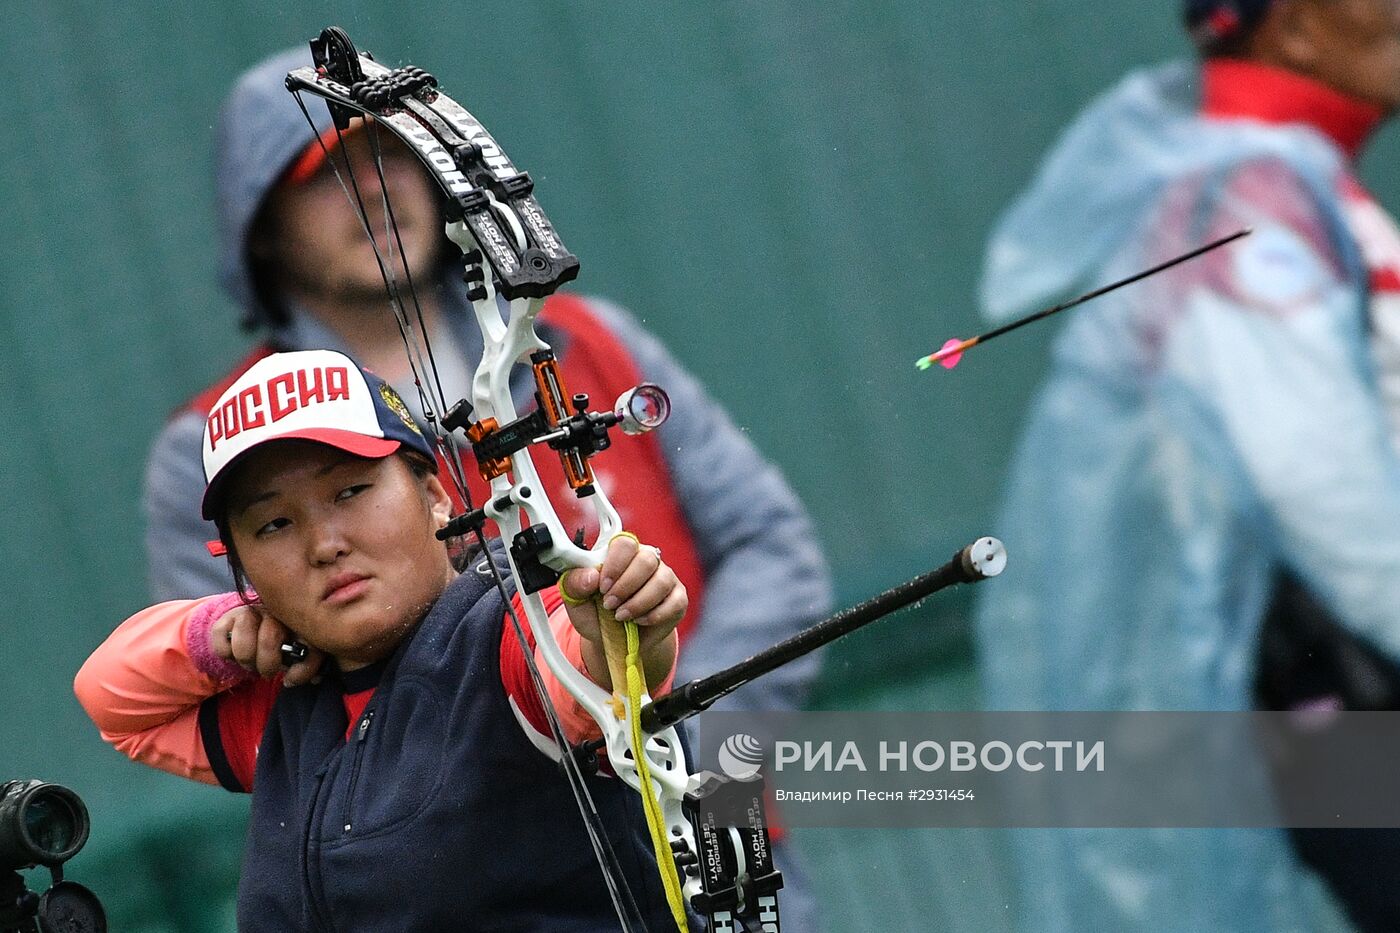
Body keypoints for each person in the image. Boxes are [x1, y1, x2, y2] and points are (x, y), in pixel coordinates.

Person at [144, 47, 832, 926]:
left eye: (394, 155)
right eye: (330, 178)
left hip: (715, 811)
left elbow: (774, 550)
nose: (379, 193)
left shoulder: (582, 340)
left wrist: (665, 726)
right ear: (262, 226)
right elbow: (240, 683)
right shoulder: (213, 443)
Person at [974, 0, 1400, 929]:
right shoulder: (1242, 196)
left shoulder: (1285, 178)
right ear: (1290, 29)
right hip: (1346, 695)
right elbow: (1317, 481)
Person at [78, 349, 694, 930]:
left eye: (350, 492)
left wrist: (624, 625)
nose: (324, 545)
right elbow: (112, 698)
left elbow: (589, 675)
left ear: (433, 495)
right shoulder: (288, 707)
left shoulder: (507, 626)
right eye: (274, 525)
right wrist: (219, 632)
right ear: (243, 569)